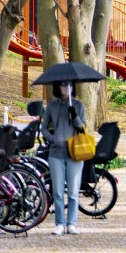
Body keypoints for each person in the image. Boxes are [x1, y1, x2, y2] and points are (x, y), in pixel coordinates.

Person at [40, 80, 87, 235]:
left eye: (69, 85)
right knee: (58, 191)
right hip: (56, 154)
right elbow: (44, 128)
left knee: (73, 192)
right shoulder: (52, 106)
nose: (66, 88)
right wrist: (52, 139)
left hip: (74, 153)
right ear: (57, 87)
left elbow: (83, 129)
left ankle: (72, 223)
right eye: (62, 85)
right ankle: (60, 222)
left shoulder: (78, 106)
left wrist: (75, 117)